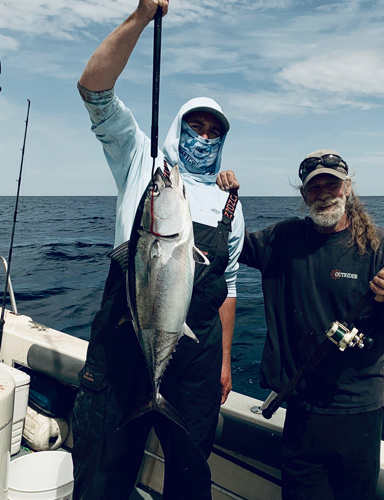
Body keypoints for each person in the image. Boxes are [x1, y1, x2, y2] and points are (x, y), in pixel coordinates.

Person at [71, 1, 244, 499]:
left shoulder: (228, 199)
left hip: (197, 361)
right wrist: (141, 16)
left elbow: (228, 285)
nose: (203, 138)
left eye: (214, 132)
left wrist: (225, 362)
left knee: (191, 476)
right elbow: (94, 90)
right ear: (178, 127)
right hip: (125, 343)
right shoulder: (141, 160)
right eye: (196, 126)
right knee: (104, 471)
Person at [231, 149, 384, 500]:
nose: (325, 193)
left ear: (347, 188)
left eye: (333, 184)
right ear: (304, 195)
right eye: (315, 187)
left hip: (360, 407)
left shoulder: (375, 243)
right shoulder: (282, 238)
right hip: (302, 403)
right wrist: (225, 198)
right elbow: (229, 246)